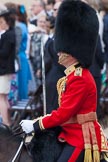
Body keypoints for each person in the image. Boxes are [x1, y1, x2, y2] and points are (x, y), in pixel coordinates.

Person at [20, 1, 108, 161]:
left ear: (73, 52)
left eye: (63, 50)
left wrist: (35, 124)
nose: (59, 52)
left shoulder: (80, 79)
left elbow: (63, 114)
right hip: (69, 132)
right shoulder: (72, 75)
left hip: (81, 137)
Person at [0, 6, 16, 126]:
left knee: (2, 97)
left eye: (1, 22)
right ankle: (7, 121)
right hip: (5, 70)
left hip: (4, 70)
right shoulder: (8, 34)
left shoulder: (8, 35)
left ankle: (6, 122)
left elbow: (4, 53)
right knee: (3, 97)